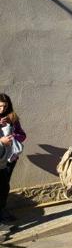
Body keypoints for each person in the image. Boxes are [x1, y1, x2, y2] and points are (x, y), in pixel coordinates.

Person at [0, 93, 27, 224]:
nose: (2, 109)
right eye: (0, 106)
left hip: (10, 158)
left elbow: (23, 135)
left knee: (4, 185)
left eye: (5, 106)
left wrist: (13, 135)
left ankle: (3, 210)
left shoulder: (12, 117)